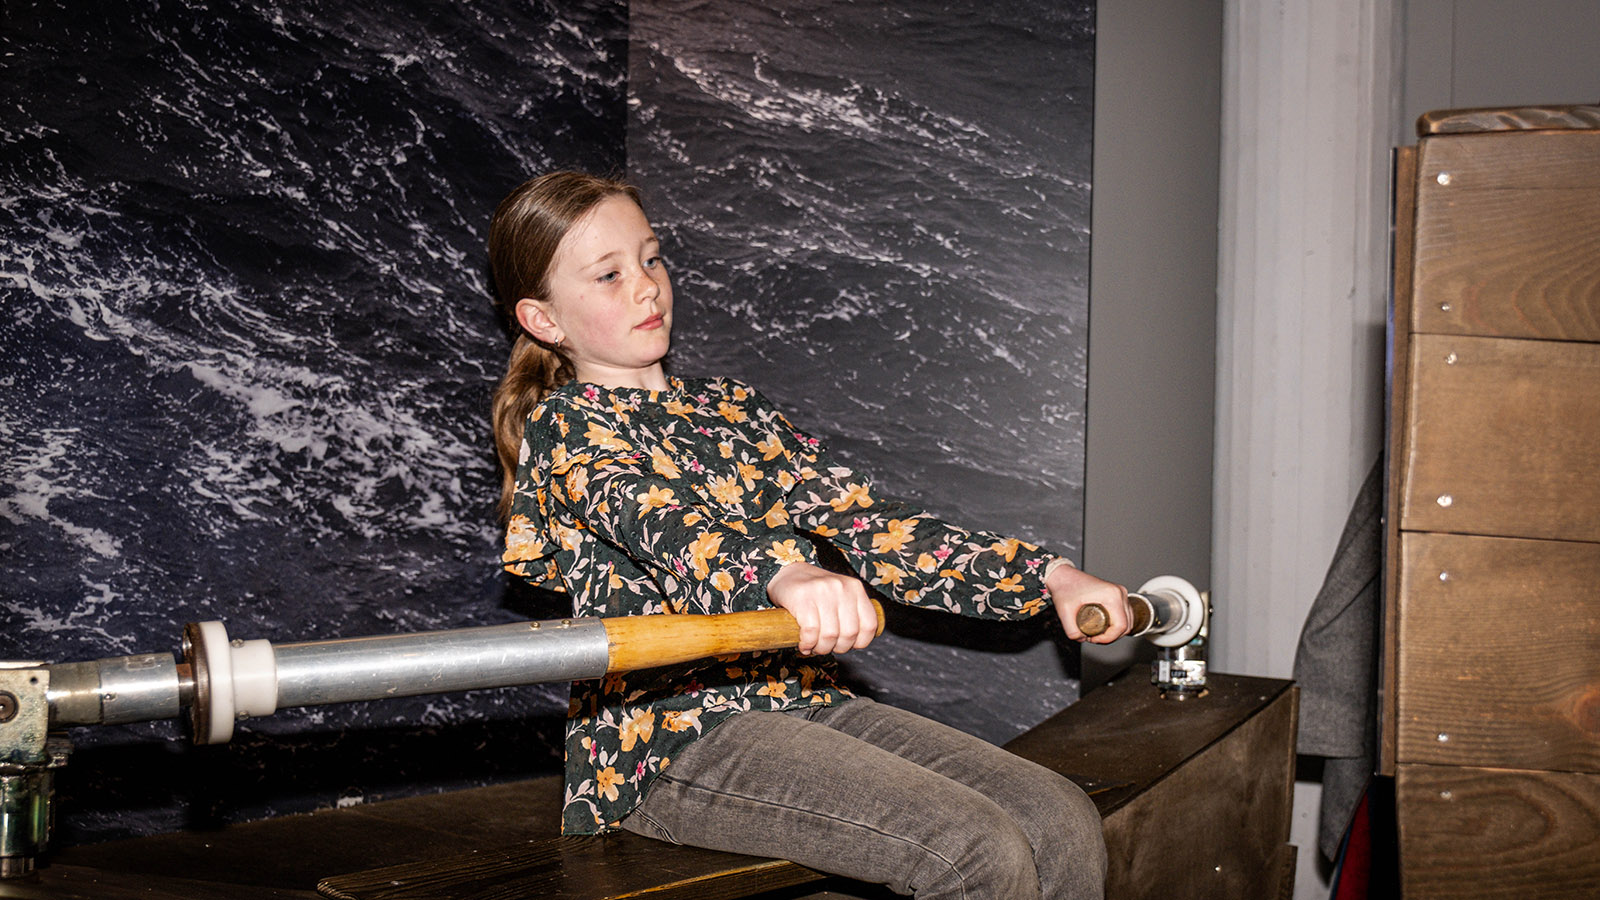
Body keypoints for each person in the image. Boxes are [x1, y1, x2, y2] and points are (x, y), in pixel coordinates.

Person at [488, 171, 1132, 900]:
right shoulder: (568, 428)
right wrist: (783, 574)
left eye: (652, 258)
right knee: (975, 848)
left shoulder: (735, 410)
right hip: (666, 743)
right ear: (544, 320)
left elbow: (873, 525)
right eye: (609, 275)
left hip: (803, 703)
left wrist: (1048, 576)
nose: (646, 286)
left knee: (1061, 818)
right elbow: (664, 523)